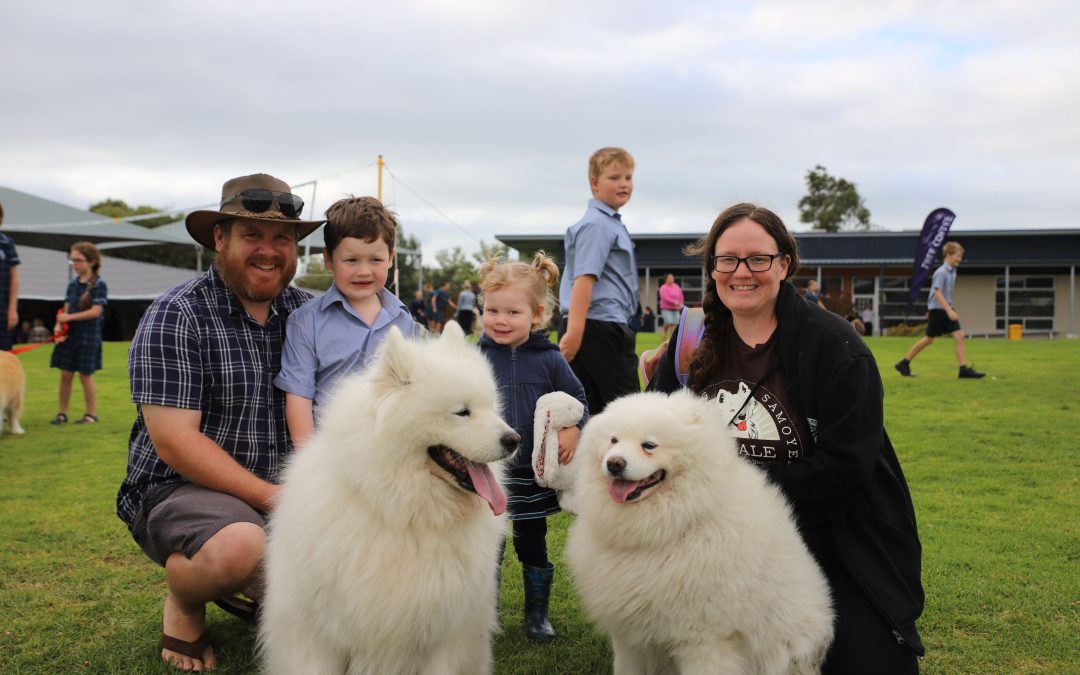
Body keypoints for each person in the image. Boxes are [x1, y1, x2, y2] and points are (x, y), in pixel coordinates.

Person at [648, 203, 925, 673]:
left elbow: (845, 471)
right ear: (712, 266)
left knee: (870, 664)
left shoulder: (837, 349)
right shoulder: (690, 338)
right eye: (727, 259)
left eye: (757, 258)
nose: (742, 272)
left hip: (821, 542)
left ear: (783, 264)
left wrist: (731, 490)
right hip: (704, 544)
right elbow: (651, 436)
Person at [116, 173, 324, 671]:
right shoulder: (176, 313)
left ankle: (261, 586)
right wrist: (278, 503)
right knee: (240, 546)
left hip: (289, 491)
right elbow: (175, 444)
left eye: (283, 238)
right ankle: (186, 603)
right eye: (253, 235)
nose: (270, 251)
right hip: (179, 490)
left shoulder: (312, 314)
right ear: (220, 238)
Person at [477, 251, 588, 642]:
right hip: (488, 472)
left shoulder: (550, 359)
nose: (500, 321)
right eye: (492, 310)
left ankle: (537, 615)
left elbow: (578, 399)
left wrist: (576, 428)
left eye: (512, 312)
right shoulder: (475, 356)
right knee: (487, 547)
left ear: (536, 315)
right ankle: (483, 616)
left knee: (532, 544)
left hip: (531, 474)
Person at [275, 195, 419, 448]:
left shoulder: (404, 321)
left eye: (375, 259)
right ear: (328, 259)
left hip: (390, 450)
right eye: (351, 260)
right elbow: (299, 398)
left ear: (390, 257)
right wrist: (311, 461)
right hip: (332, 451)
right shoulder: (306, 322)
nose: (364, 271)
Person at [557, 146, 639, 414]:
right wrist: (575, 332)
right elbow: (584, 279)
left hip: (599, 326)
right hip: (598, 327)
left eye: (628, 177)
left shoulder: (610, 223)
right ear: (595, 183)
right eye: (614, 178)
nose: (623, 184)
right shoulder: (598, 225)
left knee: (591, 410)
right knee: (627, 410)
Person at [895, 242, 985, 379]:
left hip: (940, 309)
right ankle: (904, 362)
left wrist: (940, 308)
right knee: (930, 339)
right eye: (957, 256)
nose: (959, 259)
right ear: (948, 255)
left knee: (955, 336)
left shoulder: (952, 271)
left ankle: (963, 370)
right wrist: (947, 311)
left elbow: (939, 294)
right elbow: (937, 293)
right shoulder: (941, 272)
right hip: (940, 311)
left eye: (960, 256)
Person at [49, 242, 108, 425]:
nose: (74, 264)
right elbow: (64, 311)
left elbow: (95, 312)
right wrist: (59, 327)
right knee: (65, 374)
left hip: (89, 337)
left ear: (92, 261)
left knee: (85, 375)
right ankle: (62, 413)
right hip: (70, 337)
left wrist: (68, 318)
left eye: (78, 260)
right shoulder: (72, 285)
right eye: (72, 260)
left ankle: (91, 414)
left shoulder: (99, 284)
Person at [0, 201, 20, 351]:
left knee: (3, 356)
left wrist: (12, 309)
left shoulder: (7, 242)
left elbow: (14, 277)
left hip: (3, 309)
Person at [658, 274, 684, 338]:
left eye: (672, 278)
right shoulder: (663, 288)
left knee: (674, 323)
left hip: (675, 308)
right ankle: (664, 333)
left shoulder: (676, 287)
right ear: (666, 279)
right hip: (666, 308)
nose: (671, 279)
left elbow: (681, 295)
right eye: (669, 278)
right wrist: (674, 302)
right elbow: (665, 298)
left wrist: (680, 303)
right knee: (669, 322)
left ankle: (672, 338)